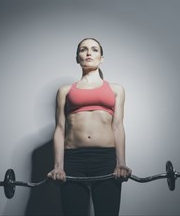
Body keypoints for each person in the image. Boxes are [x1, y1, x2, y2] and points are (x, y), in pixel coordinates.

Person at [47, 38, 132, 216]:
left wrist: (122, 164)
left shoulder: (117, 89)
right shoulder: (65, 91)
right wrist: (58, 167)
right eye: (83, 50)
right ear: (77, 58)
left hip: (105, 160)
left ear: (101, 58)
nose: (88, 53)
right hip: (73, 160)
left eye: (94, 50)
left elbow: (118, 127)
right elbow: (60, 129)